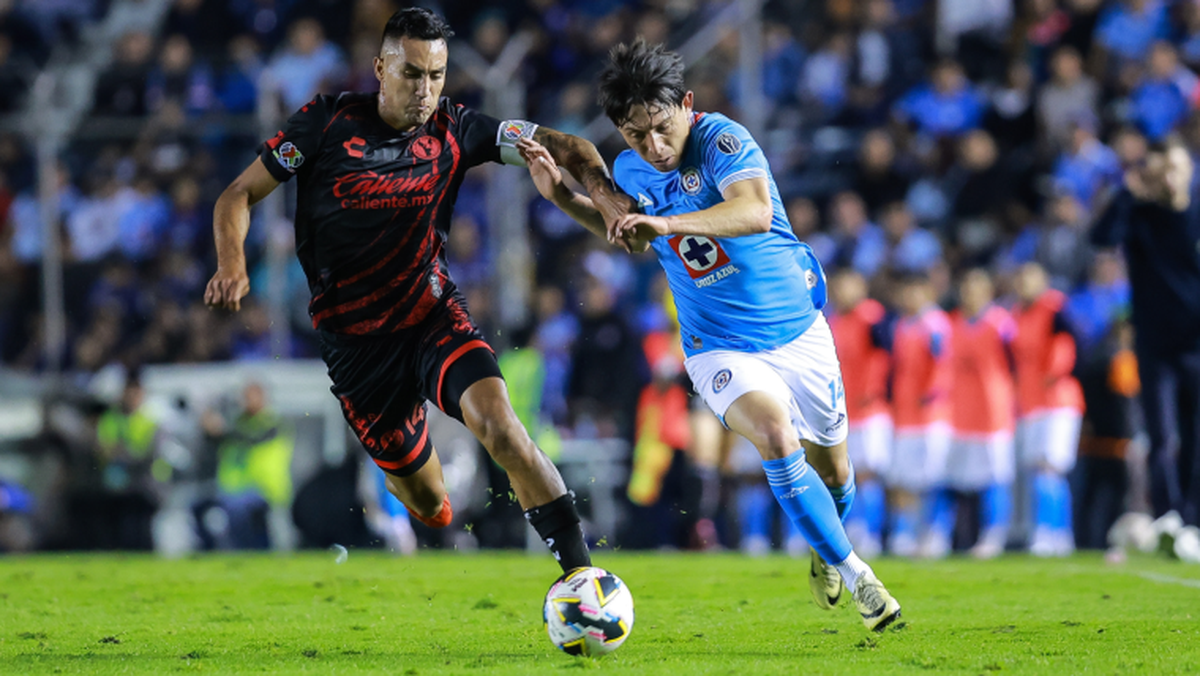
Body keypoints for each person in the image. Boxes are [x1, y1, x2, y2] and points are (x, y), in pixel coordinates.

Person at [204, 8, 630, 575]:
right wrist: (232, 264)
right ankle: (424, 498)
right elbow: (237, 194)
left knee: (501, 427)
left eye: (436, 75)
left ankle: (583, 577)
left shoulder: (456, 128)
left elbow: (569, 146)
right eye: (411, 73)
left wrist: (605, 195)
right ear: (380, 68)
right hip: (357, 349)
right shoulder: (325, 123)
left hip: (432, 316)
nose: (425, 90)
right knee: (428, 503)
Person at [518, 39, 901, 631]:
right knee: (775, 435)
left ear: (687, 105)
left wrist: (667, 221)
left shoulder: (723, 139)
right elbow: (634, 236)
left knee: (837, 474)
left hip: (797, 332)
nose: (653, 146)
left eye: (661, 127)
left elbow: (752, 211)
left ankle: (825, 546)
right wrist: (563, 196)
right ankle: (860, 578)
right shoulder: (628, 170)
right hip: (716, 344)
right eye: (636, 134)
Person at [1093, 138, 1200, 527]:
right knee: (1162, 437)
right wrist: (1126, 194)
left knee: (1196, 437)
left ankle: (1193, 519)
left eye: (1174, 169)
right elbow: (1102, 238)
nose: (1168, 178)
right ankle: (1168, 517)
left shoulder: (1196, 212)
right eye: (1161, 170)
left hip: (1196, 342)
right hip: (1155, 344)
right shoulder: (1140, 214)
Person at [933, 269, 1017, 559]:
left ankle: (994, 535)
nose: (970, 295)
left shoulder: (1001, 324)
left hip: (993, 414)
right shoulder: (951, 324)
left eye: (976, 289)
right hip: (958, 414)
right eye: (966, 289)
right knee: (952, 478)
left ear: (988, 292)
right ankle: (941, 535)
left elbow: (1016, 363)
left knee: (994, 478)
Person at [1011, 262, 1085, 556]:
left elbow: (1073, 342)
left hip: (1058, 401)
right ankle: (1056, 532)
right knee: (1037, 468)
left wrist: (1056, 371)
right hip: (1030, 403)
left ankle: (1052, 532)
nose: (1024, 284)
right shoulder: (1015, 314)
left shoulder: (1056, 309)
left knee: (1050, 466)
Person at [885, 271, 953, 558]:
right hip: (904, 415)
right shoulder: (901, 324)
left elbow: (943, 363)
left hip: (931, 416)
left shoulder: (935, 324)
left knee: (932, 477)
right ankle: (906, 533)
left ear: (927, 293)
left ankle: (936, 533)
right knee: (904, 479)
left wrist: (932, 394)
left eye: (914, 291)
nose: (908, 297)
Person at [827, 268, 892, 558]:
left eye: (848, 286)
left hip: (870, 411)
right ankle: (850, 531)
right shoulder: (832, 320)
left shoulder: (872, 317)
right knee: (843, 475)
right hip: (841, 412)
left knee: (867, 475)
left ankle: (872, 534)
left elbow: (888, 356)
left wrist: (876, 389)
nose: (842, 292)